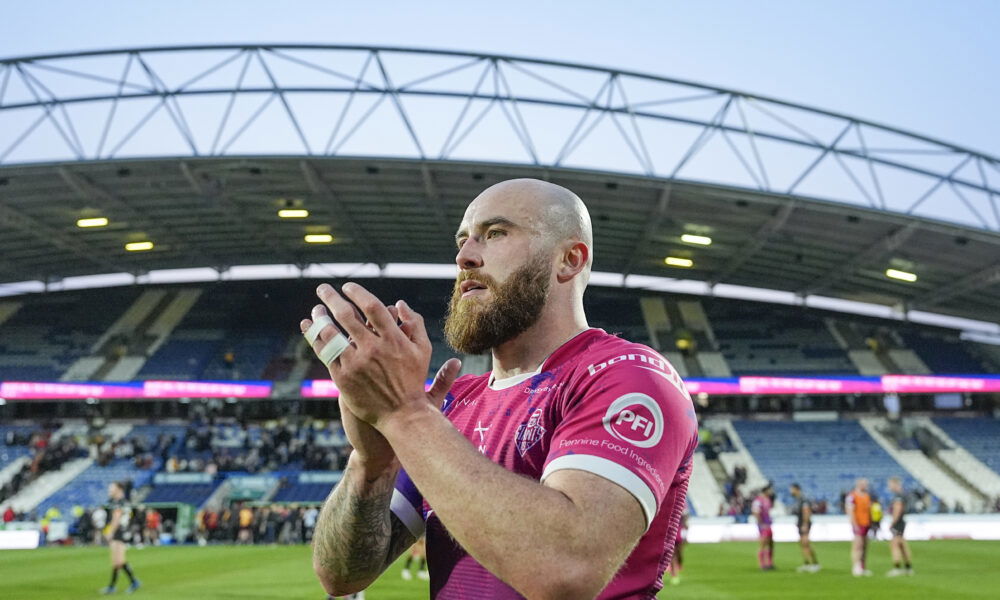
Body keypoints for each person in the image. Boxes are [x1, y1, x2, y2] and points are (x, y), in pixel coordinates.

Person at [303, 178, 699, 599]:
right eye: (463, 240)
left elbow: (566, 568)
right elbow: (342, 574)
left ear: (568, 260)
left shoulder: (624, 375)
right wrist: (371, 463)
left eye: (495, 234)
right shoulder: (451, 405)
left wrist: (404, 415)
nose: (465, 257)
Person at [100, 481, 141, 594]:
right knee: (118, 561)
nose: (109, 491)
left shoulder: (118, 502)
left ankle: (130, 583)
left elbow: (116, 518)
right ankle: (127, 583)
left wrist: (110, 532)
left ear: (119, 489)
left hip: (118, 533)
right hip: (123, 532)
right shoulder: (124, 502)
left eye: (111, 488)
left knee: (117, 561)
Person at [886, 476, 914, 576]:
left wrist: (893, 522)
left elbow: (898, 509)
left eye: (890, 484)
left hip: (898, 522)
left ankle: (896, 568)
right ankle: (908, 567)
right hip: (901, 521)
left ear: (895, 484)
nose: (889, 487)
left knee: (895, 544)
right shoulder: (903, 494)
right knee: (902, 544)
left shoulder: (898, 496)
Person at [789, 483, 820, 572]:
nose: (791, 491)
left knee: (806, 543)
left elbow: (806, 512)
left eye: (792, 489)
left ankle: (814, 564)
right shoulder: (798, 499)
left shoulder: (803, 499)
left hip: (804, 523)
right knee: (803, 544)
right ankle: (807, 563)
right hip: (800, 523)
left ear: (796, 489)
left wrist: (805, 524)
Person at [846, 478, 873, 576]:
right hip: (858, 523)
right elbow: (850, 510)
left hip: (866, 523)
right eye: (863, 484)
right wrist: (854, 524)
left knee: (865, 546)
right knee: (858, 545)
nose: (865, 486)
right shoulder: (852, 496)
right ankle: (855, 566)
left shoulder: (867, 496)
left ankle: (862, 567)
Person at [751, 483, 776, 571]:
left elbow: (769, 511)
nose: (771, 492)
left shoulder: (767, 499)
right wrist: (761, 523)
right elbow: (756, 512)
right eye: (769, 490)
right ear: (766, 491)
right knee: (763, 544)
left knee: (770, 543)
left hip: (768, 524)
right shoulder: (758, 500)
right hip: (763, 525)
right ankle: (762, 565)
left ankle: (770, 563)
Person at [668, 512, 688, 585]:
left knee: (679, 555)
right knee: (673, 557)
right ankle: (674, 575)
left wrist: (685, 538)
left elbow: (686, 526)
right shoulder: (671, 516)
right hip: (672, 538)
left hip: (679, 539)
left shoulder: (681, 518)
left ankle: (679, 565)